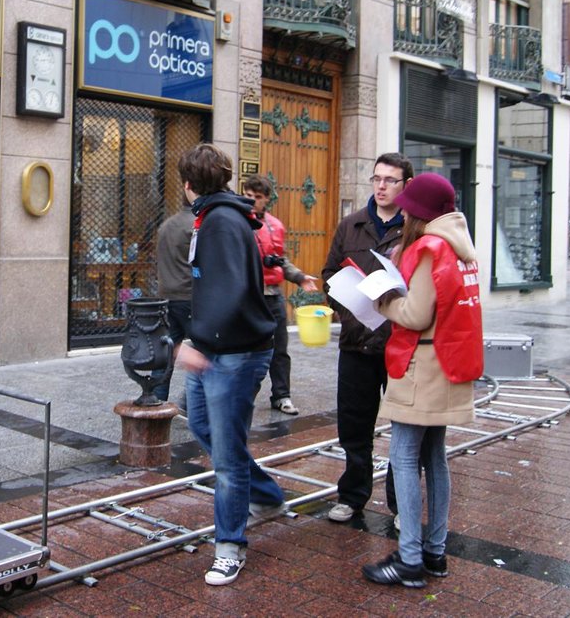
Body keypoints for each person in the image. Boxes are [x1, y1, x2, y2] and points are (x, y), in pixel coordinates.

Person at [361, 173, 483, 587]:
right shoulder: (460, 246)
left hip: (423, 364)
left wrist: (383, 300)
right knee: (435, 457)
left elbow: (415, 315)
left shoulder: (430, 248)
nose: (403, 214)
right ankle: (435, 551)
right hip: (447, 362)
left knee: (404, 456)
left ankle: (410, 558)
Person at [173, 144, 286, 586]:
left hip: (233, 351)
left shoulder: (220, 220)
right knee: (204, 427)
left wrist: (199, 342)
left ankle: (230, 547)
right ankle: (265, 493)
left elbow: (232, 289)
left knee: (226, 457)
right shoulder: (217, 215)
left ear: (188, 185)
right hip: (216, 345)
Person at [321, 152, 413, 524]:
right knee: (354, 425)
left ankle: (401, 504)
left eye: (390, 180)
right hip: (356, 341)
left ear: (406, 185)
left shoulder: (416, 228)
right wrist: (348, 307)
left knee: (404, 429)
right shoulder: (351, 225)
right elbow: (329, 273)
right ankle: (352, 495)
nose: (381, 186)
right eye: (377, 178)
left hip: (399, 343)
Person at [242, 175, 318, 415]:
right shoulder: (237, 222)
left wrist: (299, 277)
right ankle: (243, 397)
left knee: (279, 349)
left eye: (257, 197)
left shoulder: (275, 225)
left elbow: (280, 259)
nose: (252, 200)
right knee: (246, 350)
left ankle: (282, 395)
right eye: (248, 195)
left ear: (266, 199)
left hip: (273, 295)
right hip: (248, 296)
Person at [149, 201, 195, 402]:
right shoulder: (196, 225)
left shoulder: (166, 225)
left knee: (165, 354)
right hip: (189, 296)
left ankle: (157, 402)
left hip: (166, 297)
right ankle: (188, 403)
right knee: (204, 352)